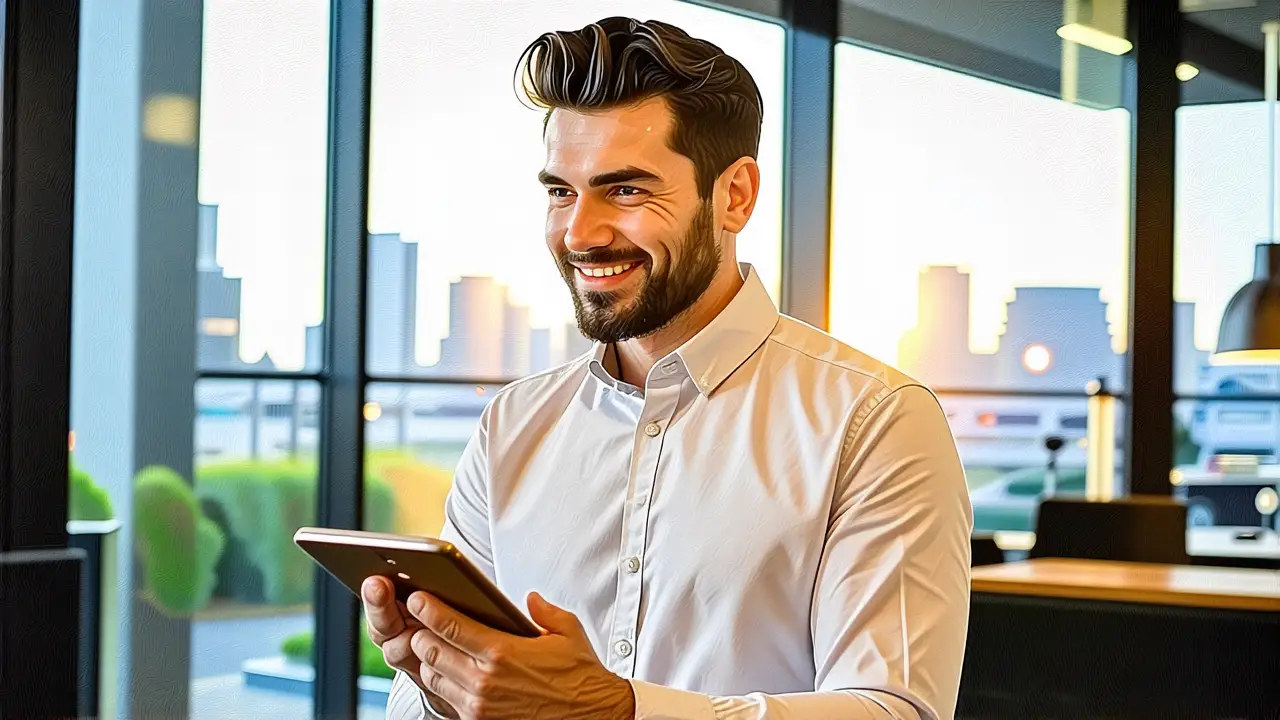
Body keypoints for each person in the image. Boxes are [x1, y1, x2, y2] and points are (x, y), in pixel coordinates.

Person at [365, 16, 972, 720]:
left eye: (624, 191)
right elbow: (410, 704)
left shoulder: (876, 419)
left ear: (735, 196)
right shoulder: (513, 424)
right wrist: (440, 678)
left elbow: (895, 711)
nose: (580, 233)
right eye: (561, 191)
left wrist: (617, 711)